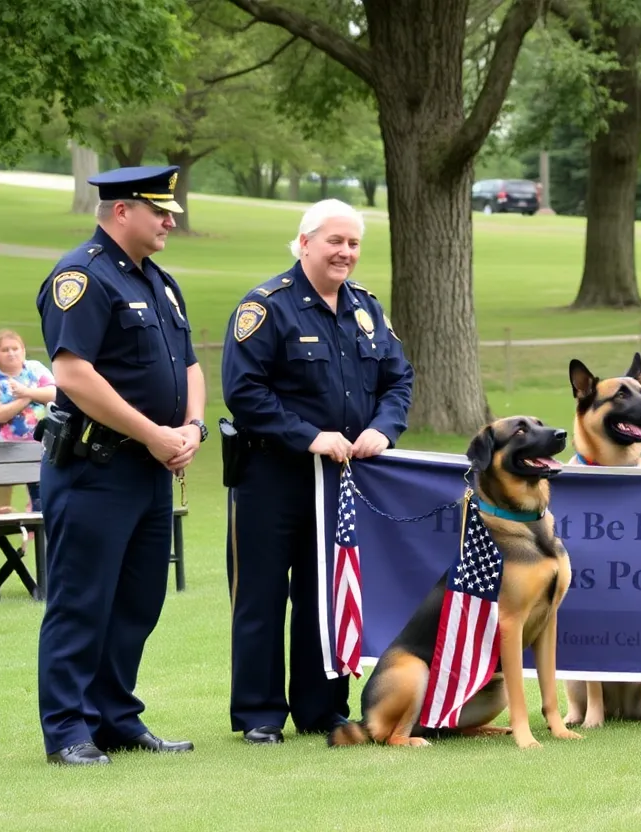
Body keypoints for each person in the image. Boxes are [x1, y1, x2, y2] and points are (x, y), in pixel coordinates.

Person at [222, 199, 414, 745]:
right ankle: (259, 714)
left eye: (353, 243)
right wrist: (309, 436)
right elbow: (245, 392)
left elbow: (399, 380)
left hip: (338, 482)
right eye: (335, 241)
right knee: (260, 595)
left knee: (325, 594)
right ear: (304, 242)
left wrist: (384, 426)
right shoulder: (267, 307)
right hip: (270, 476)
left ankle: (322, 708)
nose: (345, 253)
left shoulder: (367, 310)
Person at [35, 165, 204, 766]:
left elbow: (189, 366)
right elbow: (73, 373)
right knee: (82, 601)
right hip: (94, 469)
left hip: (149, 470)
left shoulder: (161, 282)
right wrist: (155, 433)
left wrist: (191, 428)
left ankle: (115, 719)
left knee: (138, 601)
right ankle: (67, 731)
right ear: (121, 211)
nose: (168, 221)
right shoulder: (82, 276)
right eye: (158, 211)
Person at [0, 329, 56, 512]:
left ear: (23, 350)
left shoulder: (34, 368)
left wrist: (26, 391)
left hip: (38, 445)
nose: (11, 353)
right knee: (3, 505)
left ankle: (36, 527)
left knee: (41, 500)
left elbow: (55, 394)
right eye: (5, 349)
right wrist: (27, 397)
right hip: (3, 449)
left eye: (16, 348)